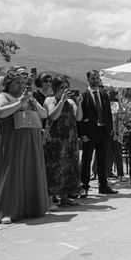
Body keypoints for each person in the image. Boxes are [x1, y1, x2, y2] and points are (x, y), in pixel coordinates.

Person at [0, 70, 49, 223]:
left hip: (29, 141)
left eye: (23, 83)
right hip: (10, 140)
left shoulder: (28, 97)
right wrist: (19, 103)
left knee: (28, 171)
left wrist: (33, 102)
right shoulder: (2, 96)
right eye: (18, 83)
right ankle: (6, 210)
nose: (21, 86)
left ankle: (27, 206)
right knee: (11, 172)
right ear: (8, 84)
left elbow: (44, 115)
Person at [44, 75, 83, 207]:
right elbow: (52, 116)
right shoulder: (50, 100)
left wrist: (78, 103)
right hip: (55, 139)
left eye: (66, 87)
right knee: (54, 167)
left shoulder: (71, 102)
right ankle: (51, 199)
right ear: (55, 88)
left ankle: (65, 198)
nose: (65, 90)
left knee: (68, 167)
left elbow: (79, 118)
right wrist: (61, 101)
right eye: (62, 87)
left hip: (70, 139)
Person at [78, 70, 118, 196]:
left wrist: (110, 130)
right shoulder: (83, 96)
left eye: (97, 78)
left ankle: (103, 186)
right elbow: (79, 117)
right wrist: (82, 134)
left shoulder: (104, 95)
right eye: (93, 78)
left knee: (103, 160)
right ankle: (84, 186)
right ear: (88, 79)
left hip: (103, 132)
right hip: (89, 134)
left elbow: (108, 114)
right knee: (86, 160)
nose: (95, 80)